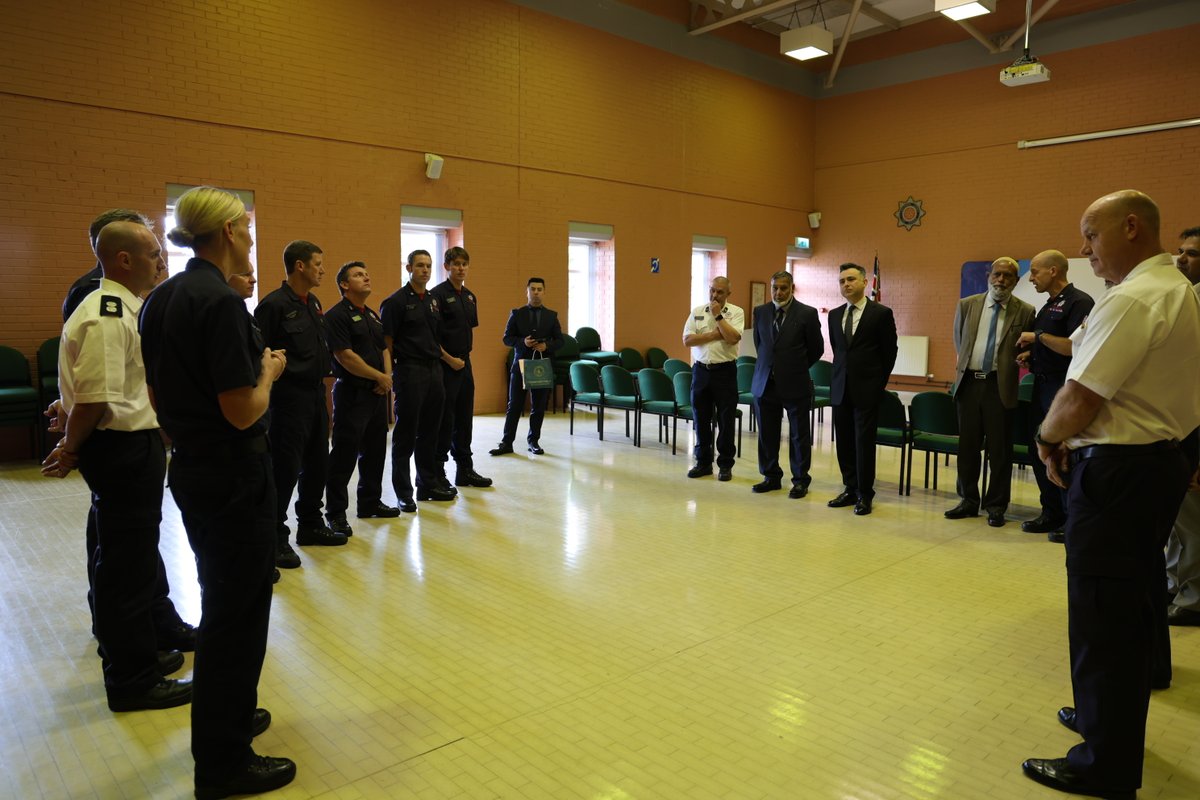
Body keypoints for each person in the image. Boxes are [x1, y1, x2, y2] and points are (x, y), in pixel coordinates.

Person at [1021, 190, 1200, 800]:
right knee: (1138, 594)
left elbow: (1080, 398)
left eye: (1090, 237)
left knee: (1102, 614)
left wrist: (1044, 439)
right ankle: (1115, 712)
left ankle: (1104, 759)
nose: (1083, 251)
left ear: (1130, 227)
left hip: (1118, 471)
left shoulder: (1134, 299)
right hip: (1157, 464)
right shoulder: (1180, 290)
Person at [140, 186, 296, 799]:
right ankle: (225, 760)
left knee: (222, 601)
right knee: (237, 616)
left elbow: (158, 397)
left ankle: (226, 716)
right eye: (247, 227)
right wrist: (269, 372)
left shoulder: (163, 298)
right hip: (234, 474)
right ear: (228, 231)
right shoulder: (222, 304)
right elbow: (241, 409)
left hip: (194, 469)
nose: (252, 237)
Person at [43, 221, 193, 712]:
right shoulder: (108, 313)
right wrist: (68, 448)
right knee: (125, 571)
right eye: (153, 253)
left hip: (134, 444)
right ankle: (132, 679)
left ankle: (142, 650)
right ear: (124, 260)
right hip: (121, 448)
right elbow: (93, 401)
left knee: (133, 560)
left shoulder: (129, 308)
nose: (161, 260)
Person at [254, 240, 346, 570]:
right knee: (284, 468)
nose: (322, 269)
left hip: (315, 394)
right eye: (318, 263)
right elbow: (259, 353)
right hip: (287, 397)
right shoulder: (274, 305)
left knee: (318, 462)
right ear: (300, 266)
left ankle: (310, 523)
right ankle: (275, 538)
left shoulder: (314, 302)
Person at [946, 257, 1035, 527]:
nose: (1001, 280)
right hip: (970, 383)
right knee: (967, 447)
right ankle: (968, 500)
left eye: (1008, 276)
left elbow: (1025, 348)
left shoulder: (1026, 311)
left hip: (1000, 385)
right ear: (989, 275)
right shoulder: (968, 304)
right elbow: (958, 340)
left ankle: (996, 505)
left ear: (1016, 281)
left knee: (999, 451)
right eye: (997, 274)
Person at [1014, 251, 1094, 541]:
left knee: (1063, 453)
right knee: (1039, 450)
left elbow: (1076, 348)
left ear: (1054, 270)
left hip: (1063, 387)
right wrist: (1031, 356)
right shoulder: (1049, 305)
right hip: (1041, 384)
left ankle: (1070, 518)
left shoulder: (1080, 302)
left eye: (1035, 271)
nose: (1032, 277)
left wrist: (1039, 338)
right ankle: (1050, 512)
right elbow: (1048, 347)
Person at [323, 261, 399, 532]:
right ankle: (335, 513)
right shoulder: (335, 316)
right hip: (352, 393)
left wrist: (386, 378)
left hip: (378, 393)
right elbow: (345, 356)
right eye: (358, 275)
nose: (366, 277)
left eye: (367, 274)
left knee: (375, 451)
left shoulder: (372, 315)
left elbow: (384, 350)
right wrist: (378, 377)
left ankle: (370, 503)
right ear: (344, 284)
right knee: (344, 455)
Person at [381, 250, 454, 510]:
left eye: (428, 266)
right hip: (409, 371)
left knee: (430, 432)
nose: (425, 270)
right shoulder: (395, 302)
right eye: (420, 265)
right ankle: (403, 492)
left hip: (434, 371)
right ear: (409, 268)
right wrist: (389, 375)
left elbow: (435, 338)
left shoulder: (434, 300)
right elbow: (386, 343)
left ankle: (427, 484)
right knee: (406, 434)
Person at [827, 263, 898, 515]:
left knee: (863, 443)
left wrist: (878, 383)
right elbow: (839, 350)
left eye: (851, 279)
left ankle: (865, 494)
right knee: (844, 441)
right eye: (842, 281)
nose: (846, 284)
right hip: (840, 388)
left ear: (865, 283)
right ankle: (849, 488)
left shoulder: (880, 313)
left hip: (867, 389)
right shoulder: (834, 314)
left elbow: (890, 352)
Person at [749, 271, 823, 498]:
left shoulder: (807, 313)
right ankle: (770, 476)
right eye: (775, 288)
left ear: (792, 288)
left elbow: (816, 349)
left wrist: (795, 366)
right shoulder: (761, 312)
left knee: (799, 434)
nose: (778, 292)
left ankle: (800, 480)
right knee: (767, 433)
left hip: (795, 383)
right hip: (765, 383)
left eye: (783, 288)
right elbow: (760, 345)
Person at [430, 247, 492, 488]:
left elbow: (467, 331)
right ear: (447, 267)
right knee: (445, 419)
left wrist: (461, 360)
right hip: (446, 364)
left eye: (464, 264)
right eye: (455, 264)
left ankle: (465, 469)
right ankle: (438, 471)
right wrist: (448, 359)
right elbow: (431, 338)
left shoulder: (469, 296)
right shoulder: (437, 296)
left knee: (465, 418)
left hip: (465, 363)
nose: (460, 268)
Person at [1165, 226, 1200, 626]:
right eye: (1181, 251)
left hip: (1194, 431)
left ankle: (1193, 599)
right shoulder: (1185, 298)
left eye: (1192, 254)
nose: (1181, 259)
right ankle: (1175, 582)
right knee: (1177, 518)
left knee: (1193, 522)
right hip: (1176, 428)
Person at [491, 277, 564, 457]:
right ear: (527, 291)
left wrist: (547, 346)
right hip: (521, 365)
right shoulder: (517, 313)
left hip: (542, 366)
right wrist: (522, 342)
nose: (536, 292)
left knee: (538, 407)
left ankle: (534, 442)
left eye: (540, 289)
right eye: (533, 289)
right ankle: (507, 443)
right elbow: (507, 338)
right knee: (514, 405)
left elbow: (560, 341)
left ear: (544, 292)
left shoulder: (552, 316)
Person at [683, 276, 744, 481]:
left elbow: (734, 337)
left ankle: (725, 465)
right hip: (701, 371)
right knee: (700, 418)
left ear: (728, 294)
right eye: (712, 290)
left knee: (726, 420)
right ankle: (703, 463)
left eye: (719, 292)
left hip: (725, 372)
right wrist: (715, 334)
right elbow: (687, 340)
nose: (715, 295)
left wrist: (719, 318)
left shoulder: (736, 312)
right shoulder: (698, 312)